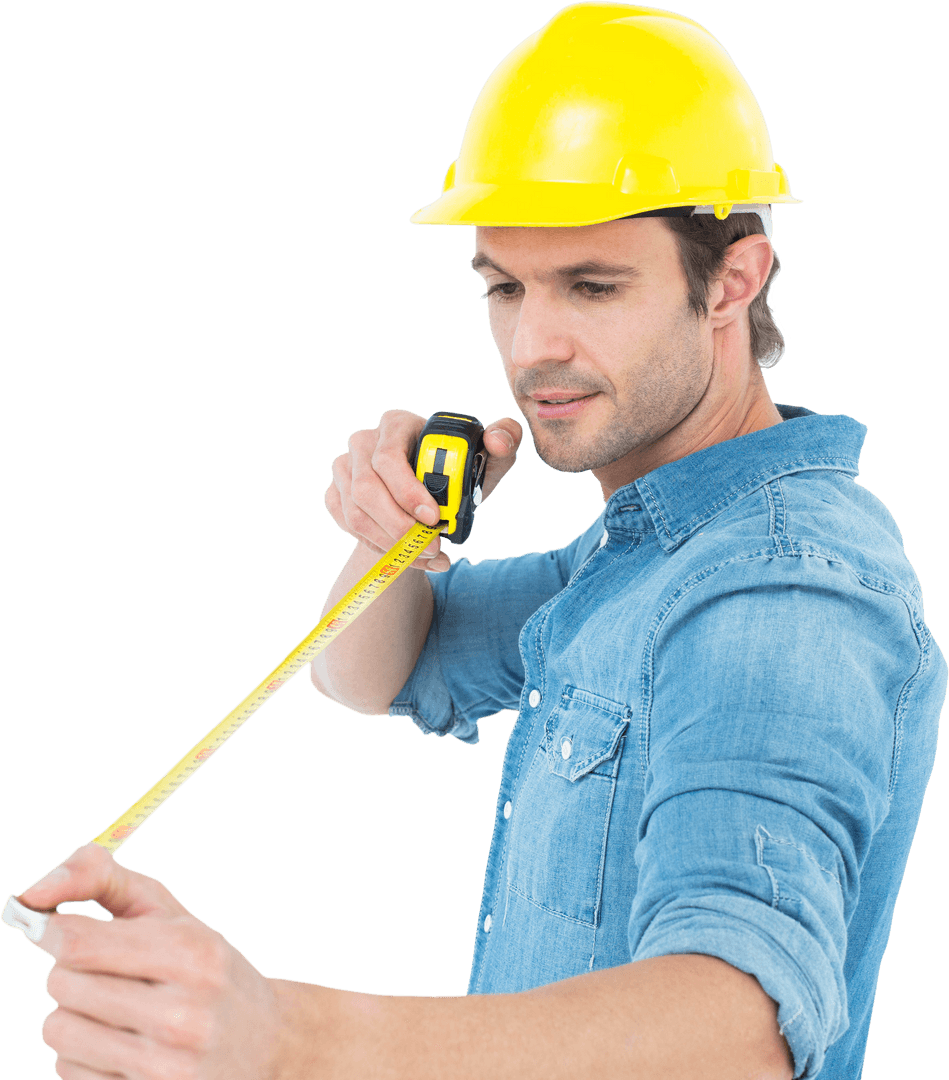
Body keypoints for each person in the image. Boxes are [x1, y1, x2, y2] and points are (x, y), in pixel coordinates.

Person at [8, 5, 943, 1079]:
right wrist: (397, 538)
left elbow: (737, 1029)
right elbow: (369, 671)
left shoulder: (778, 587)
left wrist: (285, 1041)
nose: (533, 346)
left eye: (592, 286)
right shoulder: (636, 555)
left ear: (732, 278)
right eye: (504, 287)